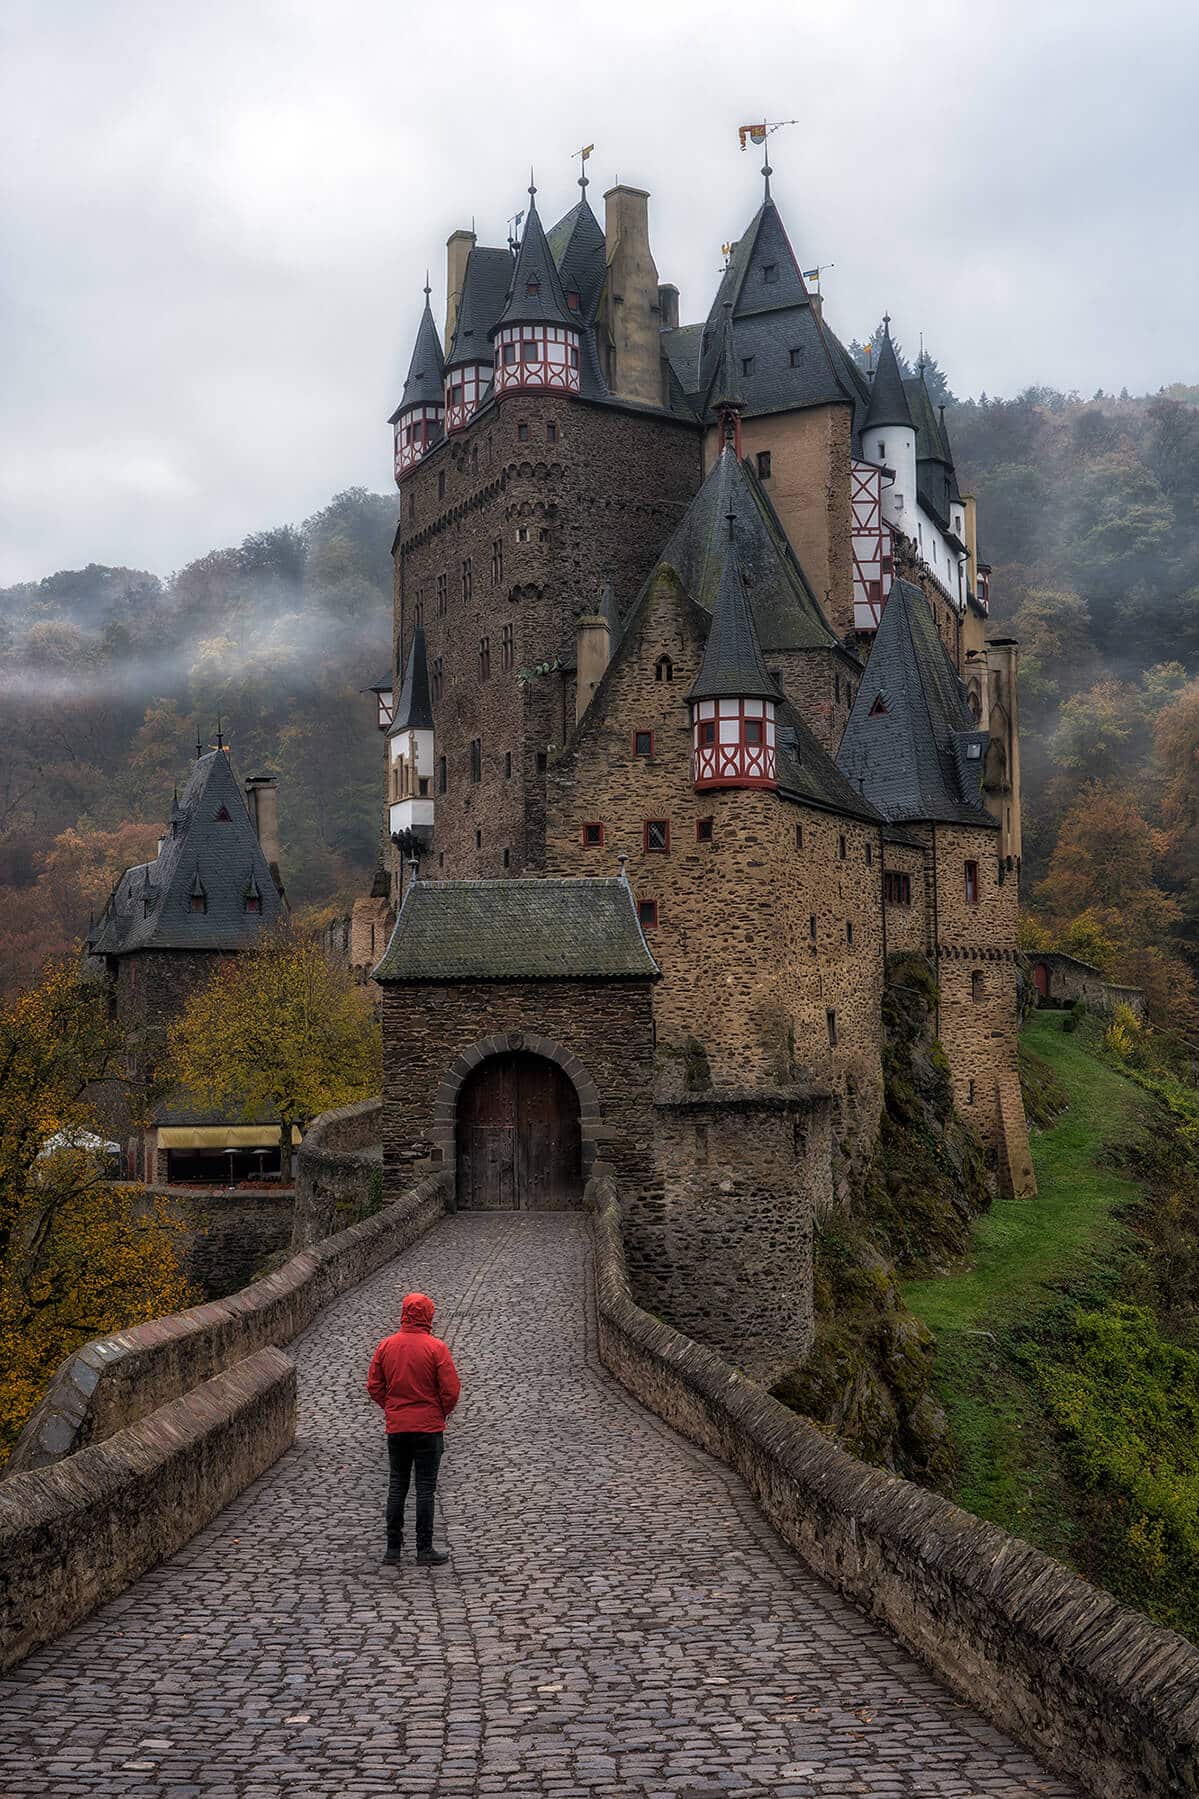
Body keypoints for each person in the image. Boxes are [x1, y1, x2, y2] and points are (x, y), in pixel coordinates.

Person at [366, 1291, 461, 1567]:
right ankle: (424, 1548)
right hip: (428, 1428)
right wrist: (440, 1411)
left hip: (398, 1428)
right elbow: (451, 1390)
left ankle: (392, 1549)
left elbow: (374, 1385)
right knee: (425, 1488)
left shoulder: (386, 1346)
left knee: (397, 1485)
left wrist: (391, 1408)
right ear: (428, 1315)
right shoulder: (436, 1348)